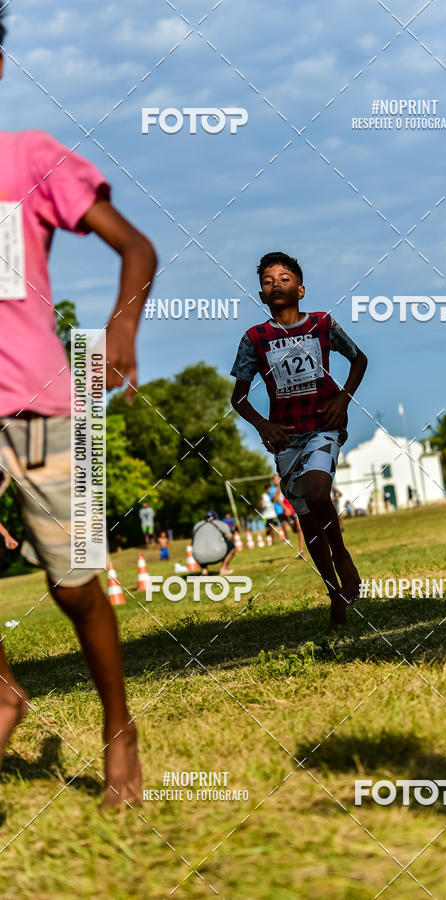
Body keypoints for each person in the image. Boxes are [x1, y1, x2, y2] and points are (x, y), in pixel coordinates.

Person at [0, 9, 157, 803]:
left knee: (73, 586)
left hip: (35, 403)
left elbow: (137, 247)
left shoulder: (26, 159)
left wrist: (120, 326)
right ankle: (2, 694)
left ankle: (118, 726)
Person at [230, 251, 368, 626]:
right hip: (286, 437)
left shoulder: (322, 324)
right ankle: (333, 592)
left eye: (284, 278)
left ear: (301, 289)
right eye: (268, 281)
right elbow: (238, 398)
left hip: (324, 424)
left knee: (318, 491)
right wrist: (263, 425)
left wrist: (343, 399)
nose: (276, 284)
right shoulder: (255, 338)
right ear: (261, 294)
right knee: (308, 523)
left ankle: (342, 555)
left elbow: (359, 359)